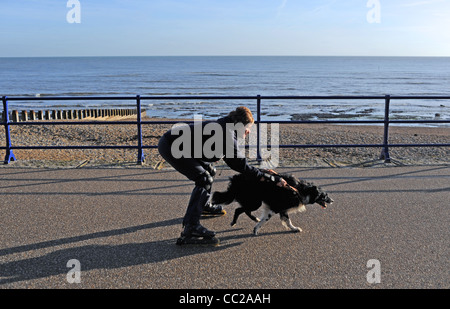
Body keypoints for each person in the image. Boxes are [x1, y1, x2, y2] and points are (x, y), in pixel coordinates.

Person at [158, 106, 286, 241]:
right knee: (203, 179)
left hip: (180, 145)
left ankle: (204, 206)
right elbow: (240, 165)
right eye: (248, 127)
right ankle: (191, 227)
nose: (248, 131)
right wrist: (265, 176)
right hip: (171, 145)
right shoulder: (227, 133)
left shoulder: (227, 126)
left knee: (209, 171)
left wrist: (262, 173)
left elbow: (238, 162)